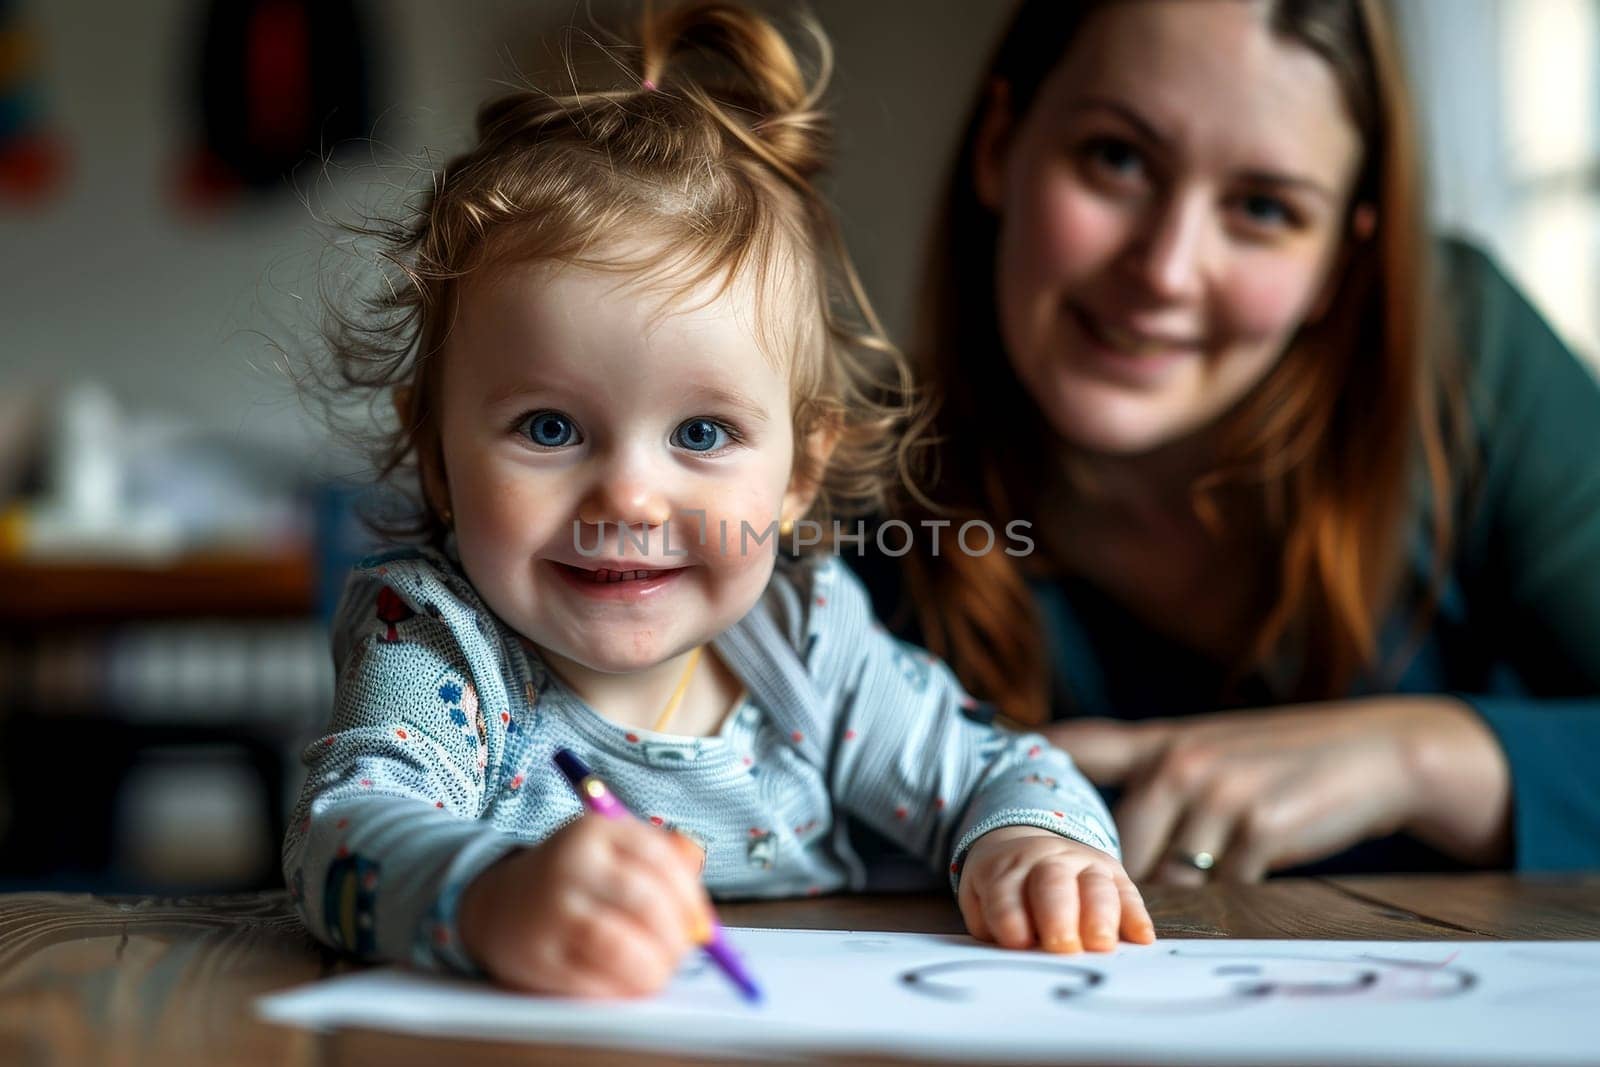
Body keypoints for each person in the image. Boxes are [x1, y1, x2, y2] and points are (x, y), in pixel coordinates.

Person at [284, 0, 1153, 998]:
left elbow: (1003, 766)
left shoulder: (807, 641)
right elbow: (337, 836)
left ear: (796, 477)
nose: (629, 494)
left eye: (700, 434)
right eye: (549, 428)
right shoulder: (441, 645)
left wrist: (1035, 843)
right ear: (436, 455)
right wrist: (492, 895)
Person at [856, 0, 1600, 886]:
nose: (1166, 271)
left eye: (1261, 208)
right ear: (999, 146)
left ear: (1341, 263)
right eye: (1117, 158)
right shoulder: (840, 486)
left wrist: (1423, 758)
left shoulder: (1468, 355)